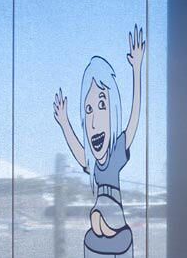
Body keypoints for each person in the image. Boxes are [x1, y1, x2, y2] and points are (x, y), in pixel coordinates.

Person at [53, 25, 144, 240]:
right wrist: (64, 123)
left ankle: (113, 232)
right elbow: (79, 151)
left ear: (114, 110)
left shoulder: (116, 153)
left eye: (102, 105)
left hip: (113, 212)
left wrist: (137, 70)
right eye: (88, 110)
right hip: (102, 214)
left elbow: (134, 119)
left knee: (98, 214)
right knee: (96, 218)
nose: (94, 122)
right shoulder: (94, 164)